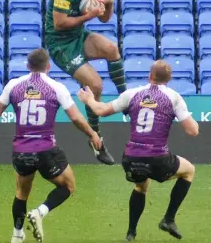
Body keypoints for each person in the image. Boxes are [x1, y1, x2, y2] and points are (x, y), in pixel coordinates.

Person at [78, 60, 199, 241]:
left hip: (131, 159)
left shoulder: (132, 94)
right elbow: (192, 131)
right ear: (169, 79)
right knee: (189, 170)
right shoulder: (174, 97)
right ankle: (168, 219)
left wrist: (89, 100)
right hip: (158, 159)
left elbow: (101, 110)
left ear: (150, 76)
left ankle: (131, 233)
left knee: (141, 186)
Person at [0, 48, 102, 243]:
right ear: (48, 66)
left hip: (21, 150)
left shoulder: (14, 85)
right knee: (68, 186)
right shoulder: (56, 87)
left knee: (21, 193)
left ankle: (17, 235)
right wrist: (92, 134)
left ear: (27, 66)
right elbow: (75, 118)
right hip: (46, 149)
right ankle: (40, 212)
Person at [45, 0, 127, 165]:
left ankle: (126, 100)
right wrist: (88, 16)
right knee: (96, 86)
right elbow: (59, 24)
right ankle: (96, 139)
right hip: (61, 45)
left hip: (79, 36)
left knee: (111, 49)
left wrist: (109, 3)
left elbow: (105, 18)